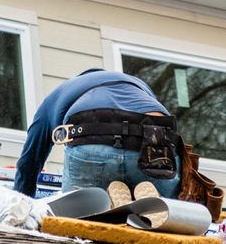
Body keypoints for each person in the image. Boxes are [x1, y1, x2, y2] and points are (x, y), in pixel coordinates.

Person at [12, 68, 181, 198]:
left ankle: (103, 205)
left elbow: (29, 162)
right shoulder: (138, 84)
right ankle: (149, 201)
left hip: (93, 140)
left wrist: (20, 205)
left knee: (79, 222)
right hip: (156, 146)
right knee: (163, 223)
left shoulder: (61, 92)